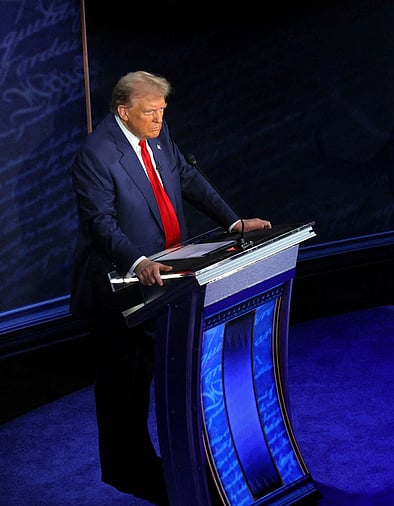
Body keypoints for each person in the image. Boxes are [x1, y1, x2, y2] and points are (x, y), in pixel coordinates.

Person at [70, 70, 271, 505]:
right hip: (119, 288)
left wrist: (233, 222)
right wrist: (138, 260)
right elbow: (100, 223)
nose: (159, 120)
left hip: (168, 282)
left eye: (162, 111)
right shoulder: (96, 154)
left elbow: (188, 178)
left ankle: (176, 464)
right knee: (125, 383)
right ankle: (128, 470)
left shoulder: (158, 135)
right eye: (150, 112)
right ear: (124, 112)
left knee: (164, 371)